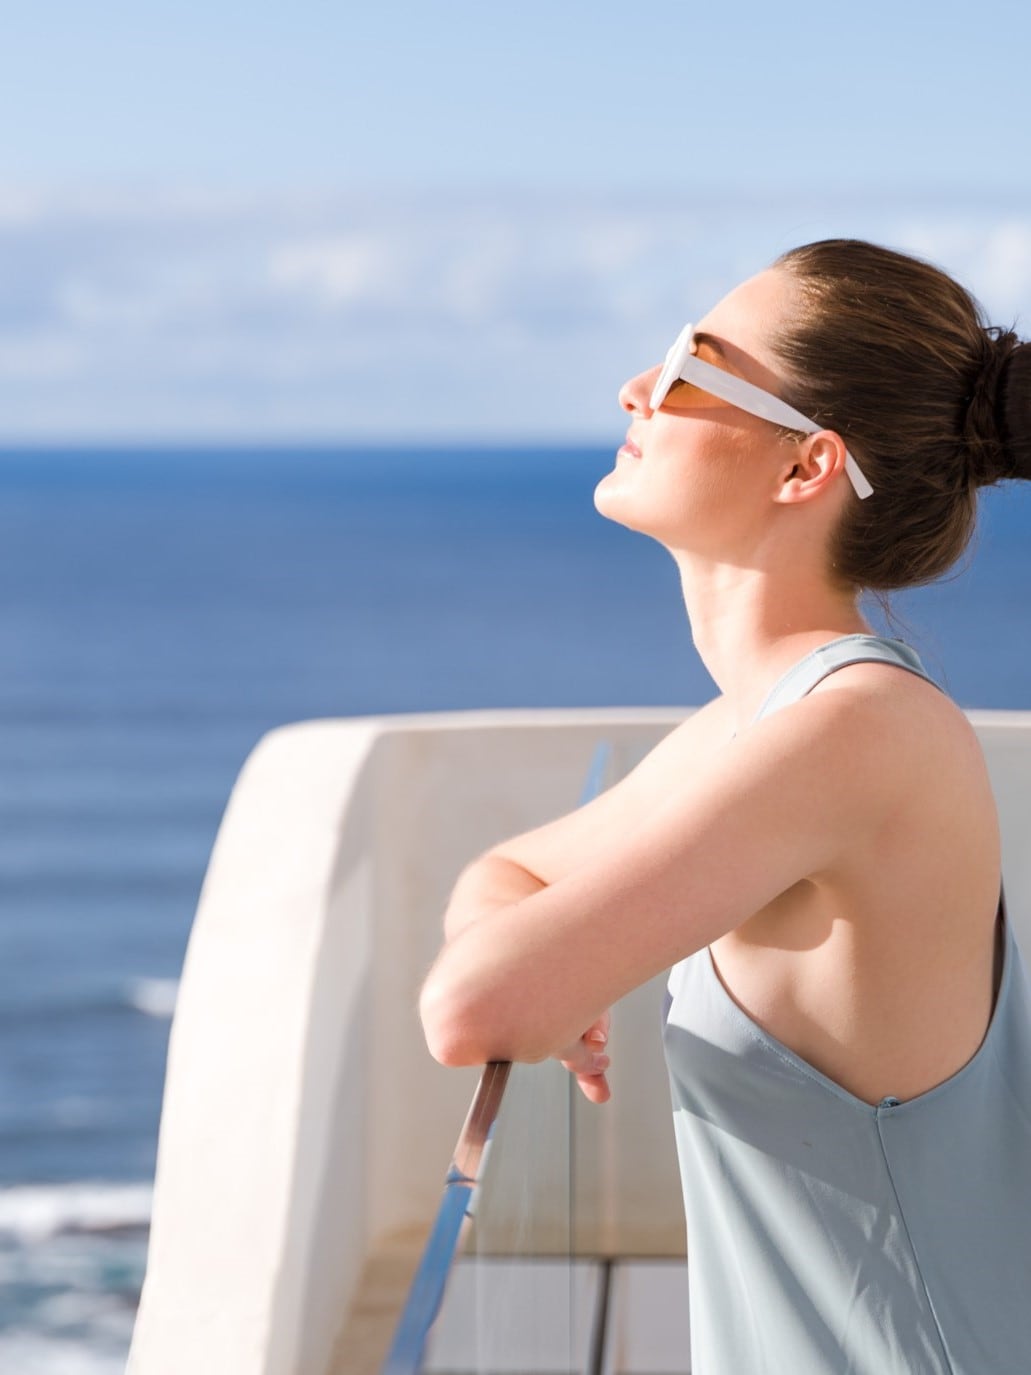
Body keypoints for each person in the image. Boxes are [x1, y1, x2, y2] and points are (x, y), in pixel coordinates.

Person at [418, 239, 1031, 1374]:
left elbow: (471, 1008)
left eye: (691, 366)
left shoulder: (852, 732)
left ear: (805, 468)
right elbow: (501, 879)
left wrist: (551, 975)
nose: (636, 390)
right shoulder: (761, 724)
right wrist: (553, 963)